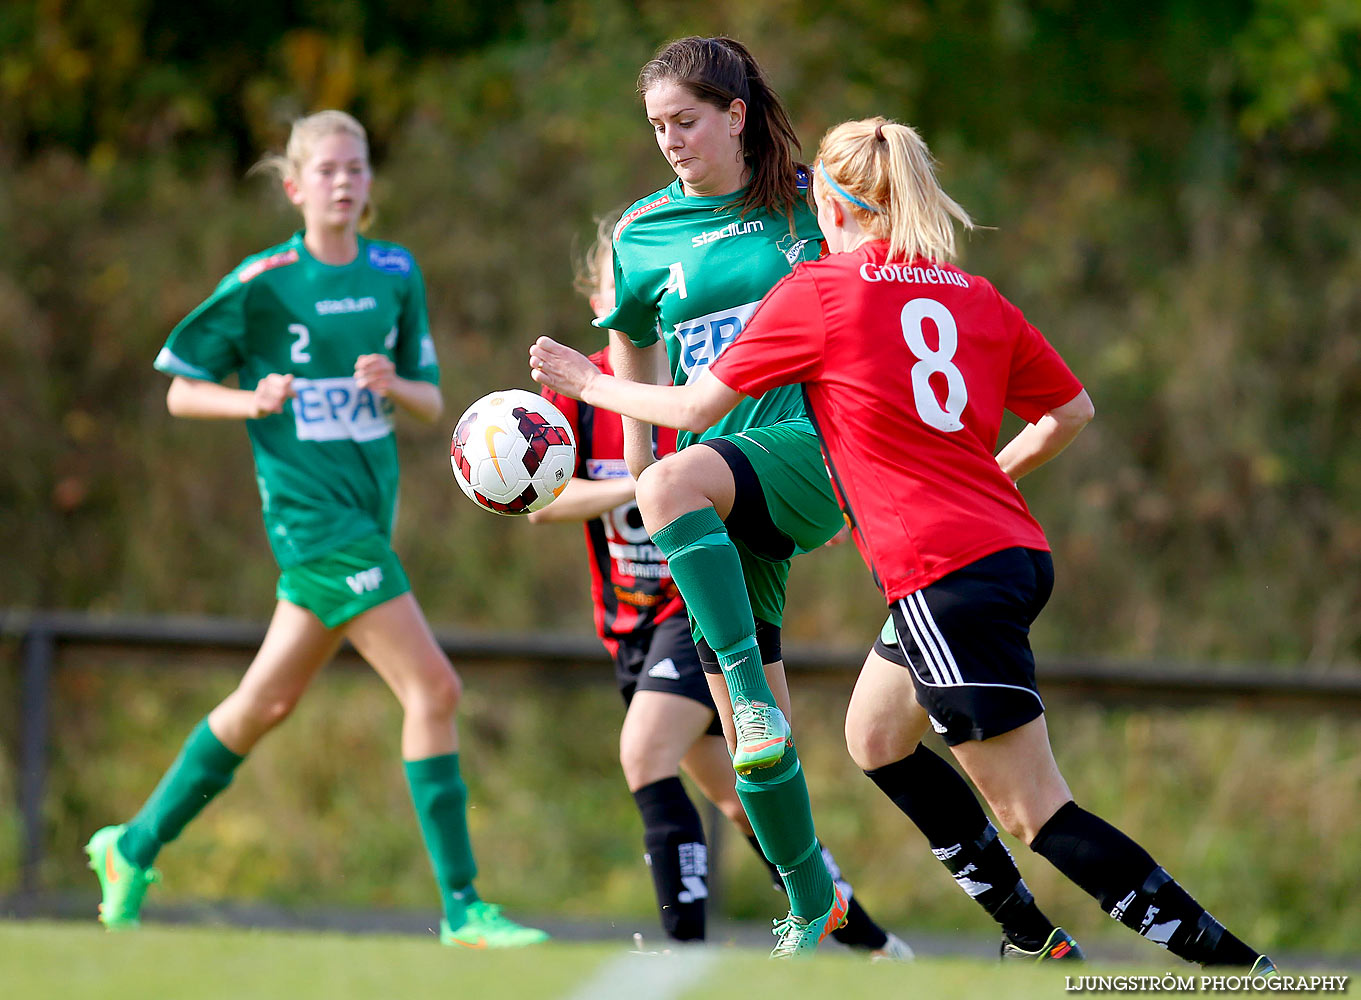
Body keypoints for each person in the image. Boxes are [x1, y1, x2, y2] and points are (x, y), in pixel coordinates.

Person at [530, 114, 1278, 974]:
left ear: (830, 208)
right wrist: (987, 479)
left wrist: (592, 384)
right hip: (1008, 549)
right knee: (873, 737)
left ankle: (1239, 971)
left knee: (1035, 811)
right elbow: (1070, 412)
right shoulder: (974, 292)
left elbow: (695, 410)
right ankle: (1031, 934)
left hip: (939, 569)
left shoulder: (823, 291)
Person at [85, 110, 547, 949]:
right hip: (313, 521)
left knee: (265, 701)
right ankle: (463, 908)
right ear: (296, 186)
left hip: (369, 516)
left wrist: (390, 383)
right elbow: (181, 389)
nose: (344, 181)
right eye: (327, 169)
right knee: (434, 689)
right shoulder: (262, 281)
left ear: (369, 183)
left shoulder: (396, 272)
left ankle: (132, 845)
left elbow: (433, 402)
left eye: (357, 168)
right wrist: (248, 399)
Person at [534, 35, 870, 958]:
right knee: (753, 751)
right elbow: (634, 337)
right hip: (719, 489)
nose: (670, 141)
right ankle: (819, 912)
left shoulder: (813, 202)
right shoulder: (643, 233)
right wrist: (641, 464)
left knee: (734, 707)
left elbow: (891, 279)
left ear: (736, 114)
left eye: (686, 120)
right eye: (655, 128)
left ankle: (753, 703)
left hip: (814, 451)